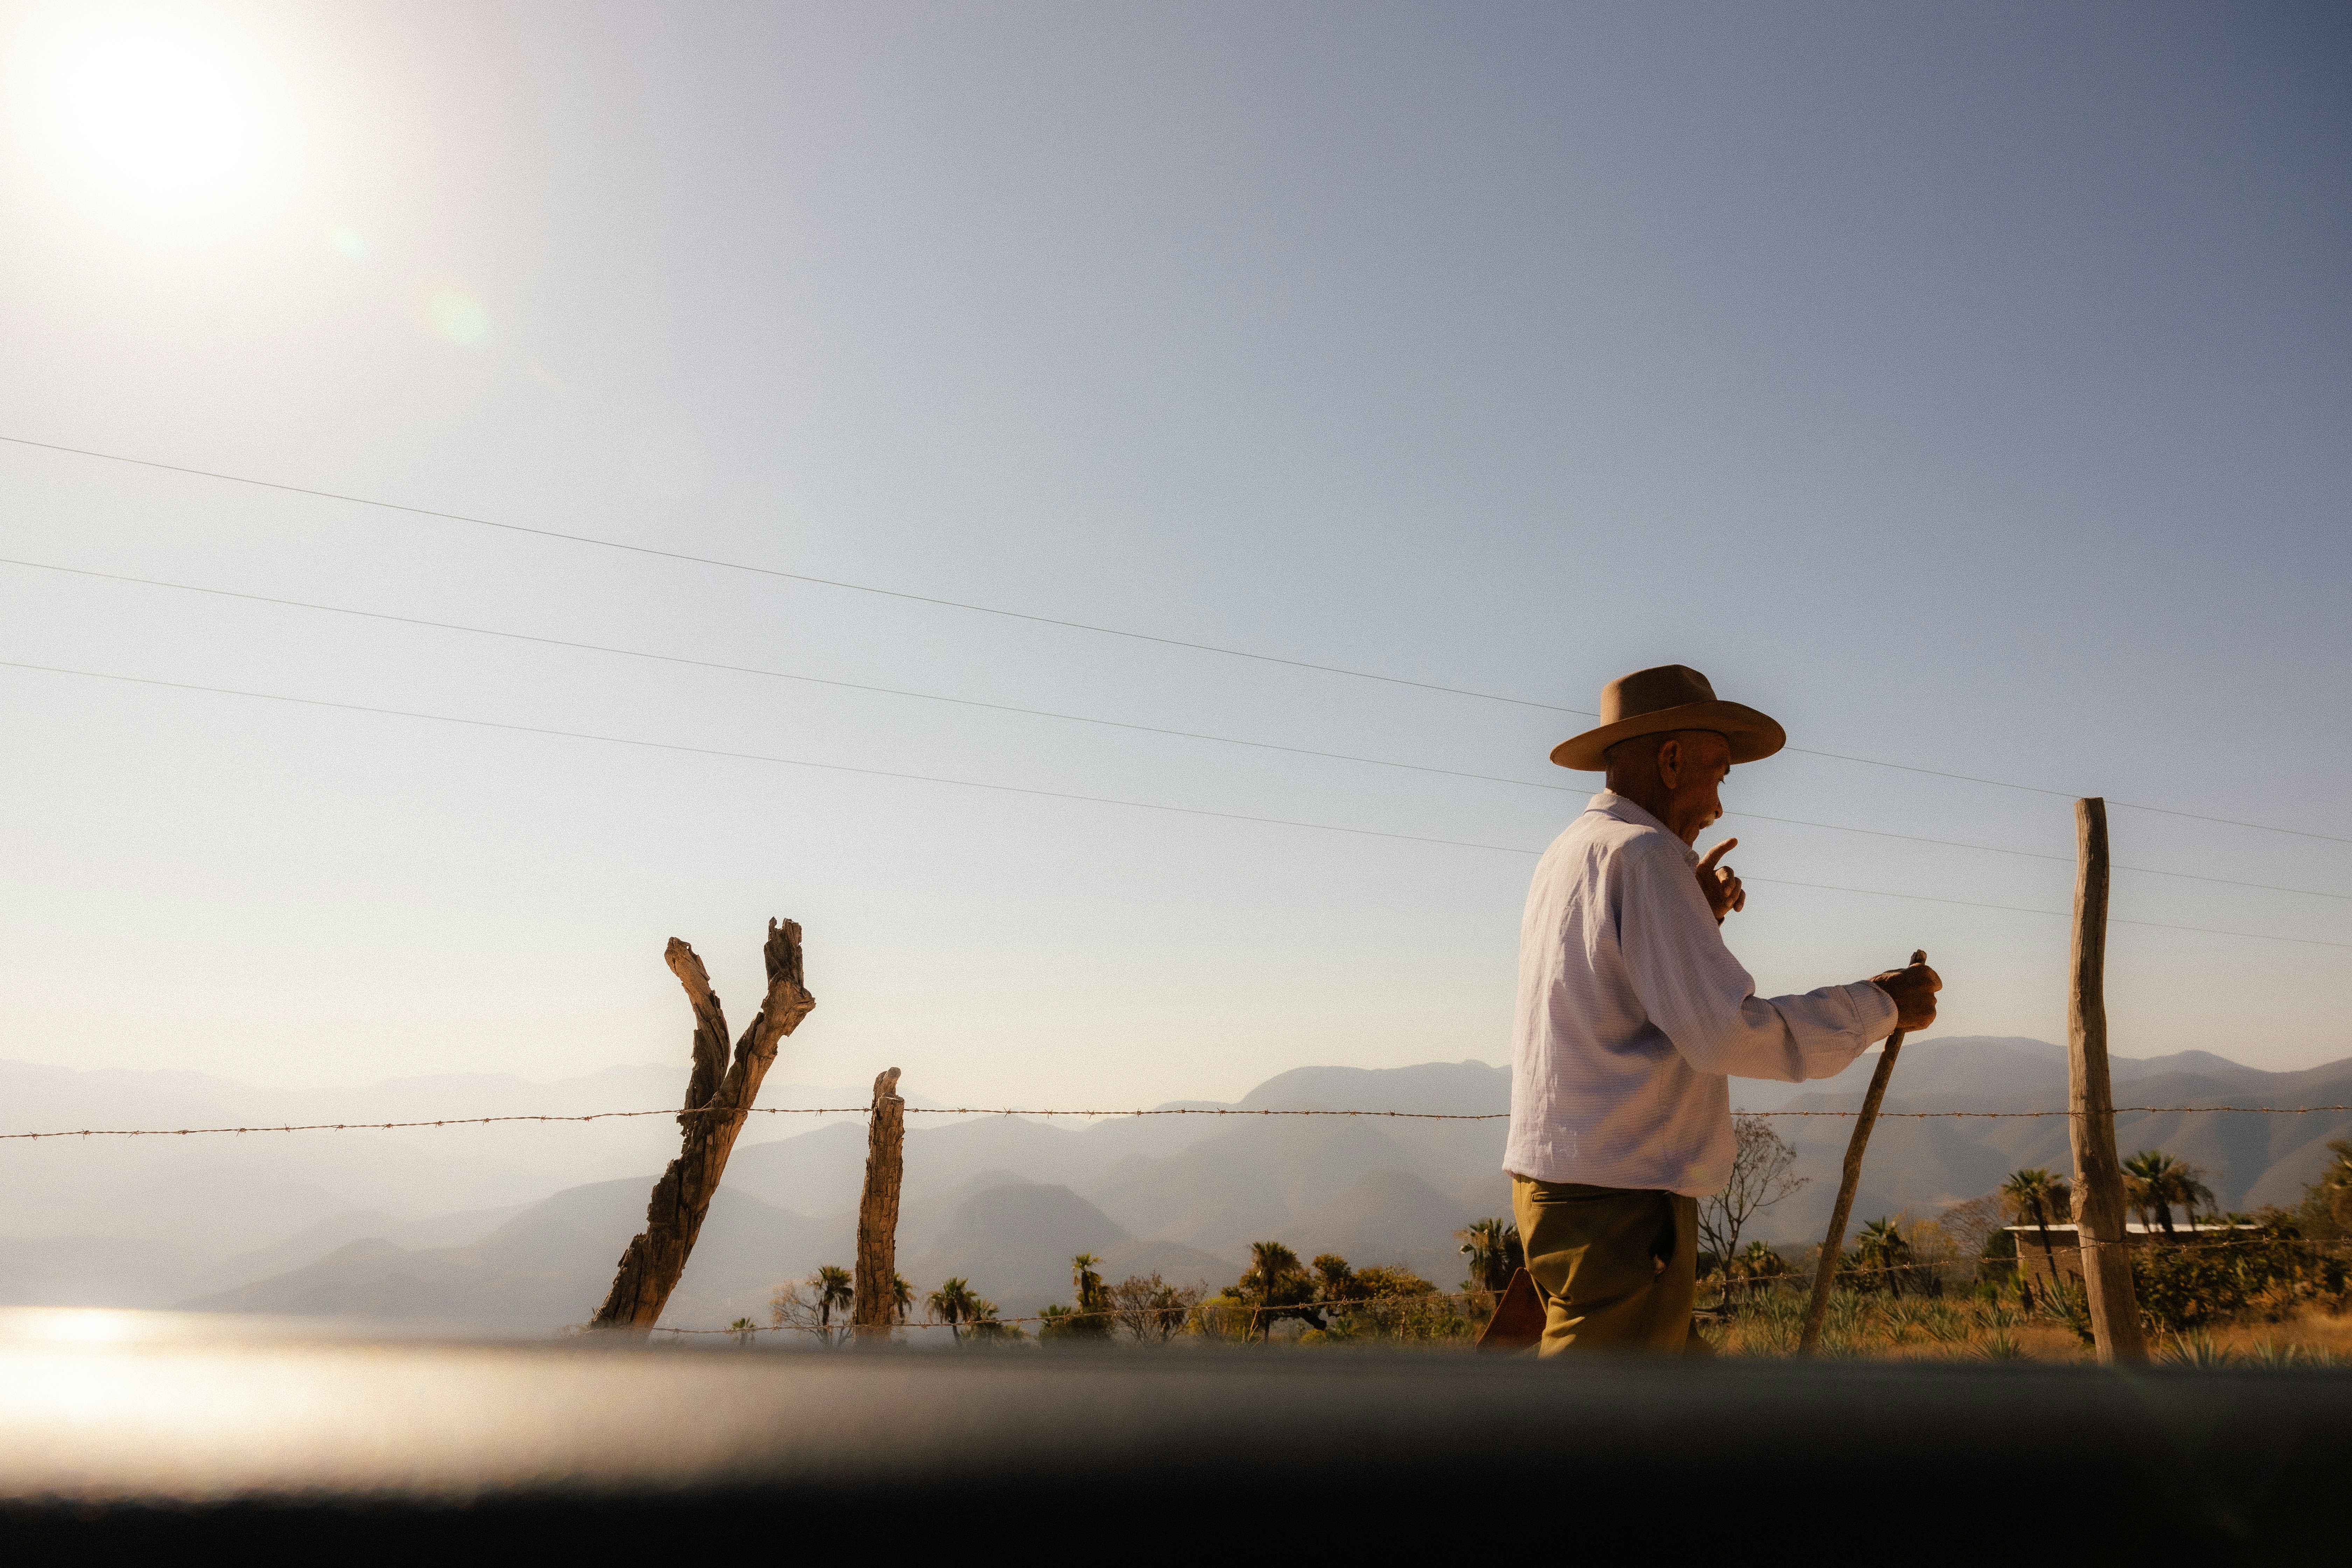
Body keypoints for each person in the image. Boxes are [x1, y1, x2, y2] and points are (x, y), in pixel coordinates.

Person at [1504, 664, 1941, 1354]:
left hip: (1561, 1184)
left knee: (1678, 1398)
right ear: (1672, 760)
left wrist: (1695, 919)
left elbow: (1617, 986)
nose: (1717, 806)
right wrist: (1880, 1004)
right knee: (1596, 1414)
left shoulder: (1572, 850)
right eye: (1719, 776)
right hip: (1622, 1199)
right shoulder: (1647, 857)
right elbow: (1724, 1033)